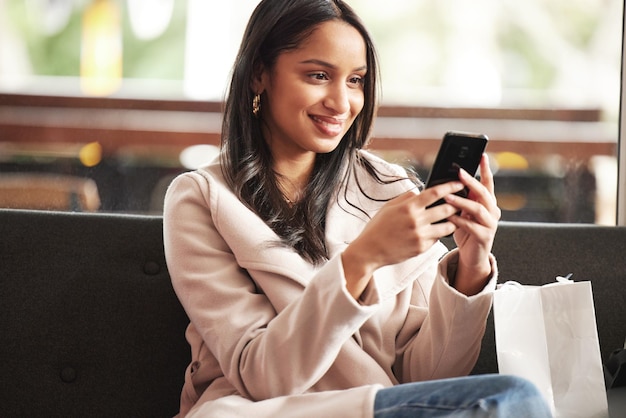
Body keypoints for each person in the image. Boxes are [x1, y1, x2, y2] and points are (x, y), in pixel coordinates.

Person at [163, 0, 552, 417]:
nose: (341, 102)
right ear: (259, 73)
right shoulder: (201, 198)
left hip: (376, 408)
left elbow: (429, 380)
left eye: (355, 81)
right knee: (512, 400)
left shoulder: (388, 189)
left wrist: (470, 267)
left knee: (511, 400)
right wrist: (363, 258)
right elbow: (263, 375)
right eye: (318, 76)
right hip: (260, 410)